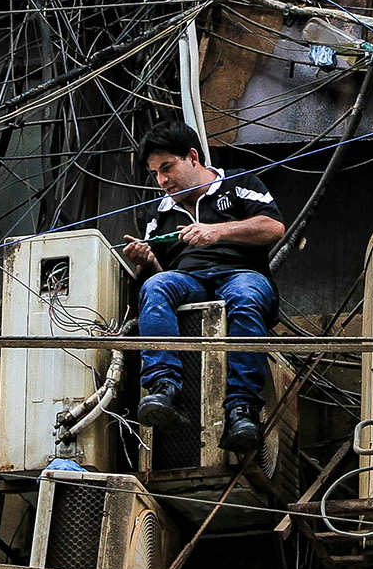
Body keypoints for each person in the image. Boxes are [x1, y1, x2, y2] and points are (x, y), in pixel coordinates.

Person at [118, 121, 286, 456]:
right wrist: (146, 261)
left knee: (246, 295)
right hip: (189, 281)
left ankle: (242, 409)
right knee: (155, 286)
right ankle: (165, 388)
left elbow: (274, 227)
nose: (163, 181)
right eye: (155, 174)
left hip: (240, 273)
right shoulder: (159, 212)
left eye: (167, 168)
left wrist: (217, 232)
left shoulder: (239, 184)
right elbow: (159, 273)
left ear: (193, 157)